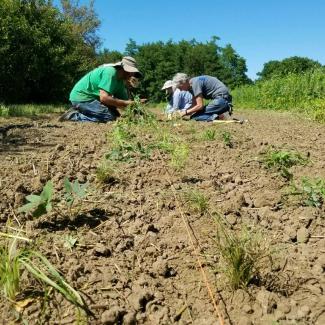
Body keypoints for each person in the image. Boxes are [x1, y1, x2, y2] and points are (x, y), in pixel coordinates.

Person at [59, 56, 146, 122]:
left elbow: (125, 103)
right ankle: (73, 116)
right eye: (131, 72)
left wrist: (138, 110)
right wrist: (127, 103)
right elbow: (104, 98)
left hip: (92, 99)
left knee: (115, 114)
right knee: (109, 117)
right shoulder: (110, 72)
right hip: (82, 97)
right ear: (124, 69)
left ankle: (82, 110)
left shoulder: (120, 82)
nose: (132, 75)